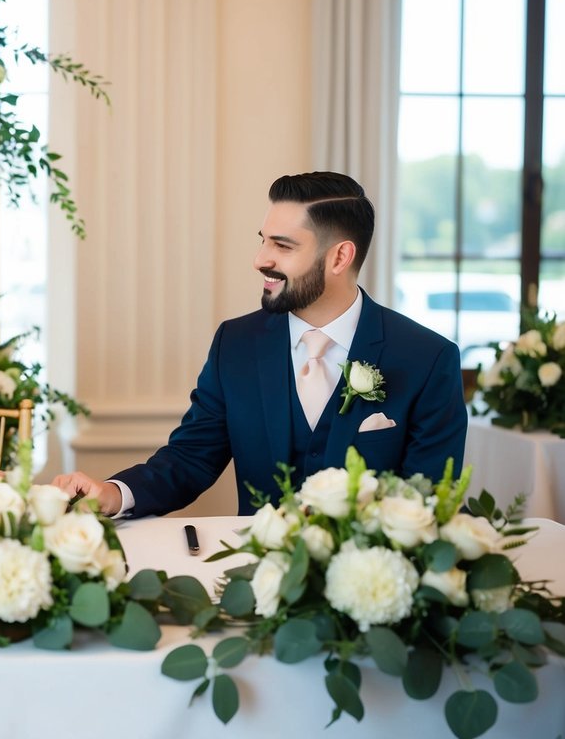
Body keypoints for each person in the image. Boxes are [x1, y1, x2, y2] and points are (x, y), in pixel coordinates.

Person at [54, 171, 468, 517]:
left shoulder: (428, 360)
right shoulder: (235, 344)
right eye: (264, 239)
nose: (260, 259)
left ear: (340, 257)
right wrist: (111, 493)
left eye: (282, 246)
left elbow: (428, 503)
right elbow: (189, 460)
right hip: (254, 585)